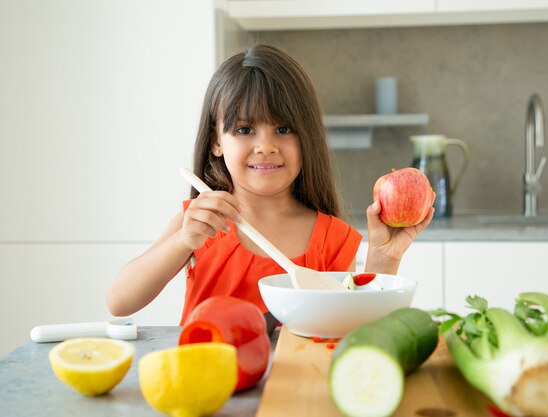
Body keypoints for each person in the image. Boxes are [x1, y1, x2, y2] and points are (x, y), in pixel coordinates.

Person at [106, 44, 434, 327]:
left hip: (297, 393)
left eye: (284, 128)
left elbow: (356, 330)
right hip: (207, 388)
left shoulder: (332, 238)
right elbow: (119, 302)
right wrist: (182, 241)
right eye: (245, 130)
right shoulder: (199, 222)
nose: (266, 146)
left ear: (308, 138)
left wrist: (384, 257)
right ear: (215, 142)